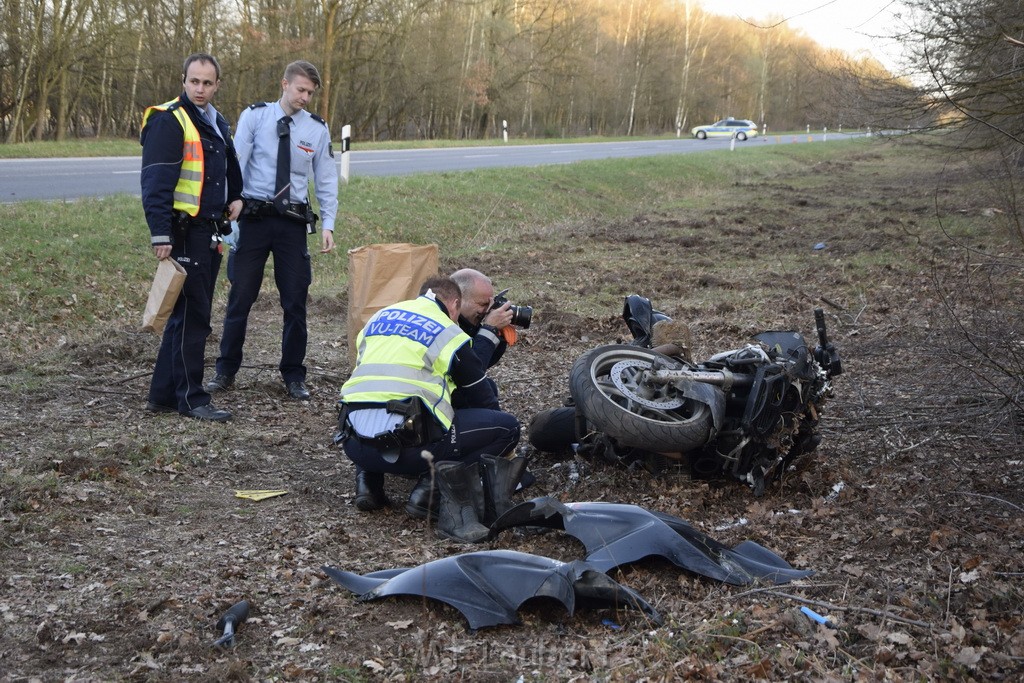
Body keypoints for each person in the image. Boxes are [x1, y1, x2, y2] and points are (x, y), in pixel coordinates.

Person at [336, 277, 524, 543]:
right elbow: (481, 394)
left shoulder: (380, 317)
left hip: (355, 445)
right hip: (411, 450)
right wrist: (504, 450)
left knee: (377, 396)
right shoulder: (447, 330)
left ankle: (368, 484)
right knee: (505, 428)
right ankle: (429, 490)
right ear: (455, 304)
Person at [207, 60, 339, 401]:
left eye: (310, 92)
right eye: (300, 89)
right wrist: (229, 211)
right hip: (253, 219)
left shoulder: (316, 129)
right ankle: (225, 371)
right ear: (284, 84)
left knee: (295, 301)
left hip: (292, 223)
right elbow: (235, 164)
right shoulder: (256, 116)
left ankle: (294, 375)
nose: (305, 97)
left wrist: (328, 224)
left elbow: (325, 179)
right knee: (241, 297)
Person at [140, 52, 243, 422]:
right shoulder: (170, 120)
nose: (200, 88)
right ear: (183, 80)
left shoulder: (215, 121)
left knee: (185, 314)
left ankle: (163, 395)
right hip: (183, 234)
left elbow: (229, 164)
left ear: (217, 85)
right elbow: (155, 180)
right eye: (194, 81)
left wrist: (237, 195)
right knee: (194, 317)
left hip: (209, 232)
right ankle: (193, 399)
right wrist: (160, 233)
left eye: (207, 82)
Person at [449, 268, 514, 408]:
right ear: (458, 300)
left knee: (488, 386)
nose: (487, 310)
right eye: (483, 304)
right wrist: (489, 330)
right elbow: (471, 371)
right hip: (435, 401)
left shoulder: (463, 321)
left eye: (490, 304)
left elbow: (484, 363)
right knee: (507, 423)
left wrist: (499, 335)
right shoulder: (446, 326)